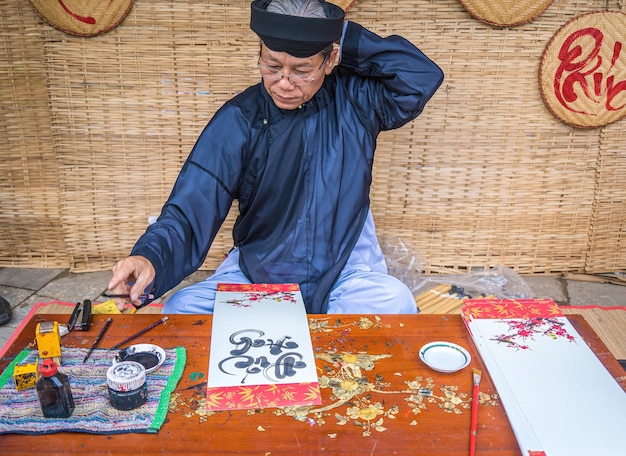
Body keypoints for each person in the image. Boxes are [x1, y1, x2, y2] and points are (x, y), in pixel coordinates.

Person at [108, 0, 443, 314]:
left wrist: (332, 30)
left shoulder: (357, 101)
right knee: (183, 308)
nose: (284, 83)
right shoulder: (239, 118)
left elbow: (419, 77)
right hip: (260, 270)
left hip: (344, 269)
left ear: (330, 60)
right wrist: (150, 257)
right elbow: (191, 207)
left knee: (394, 302)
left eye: (302, 70)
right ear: (259, 54)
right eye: (272, 65)